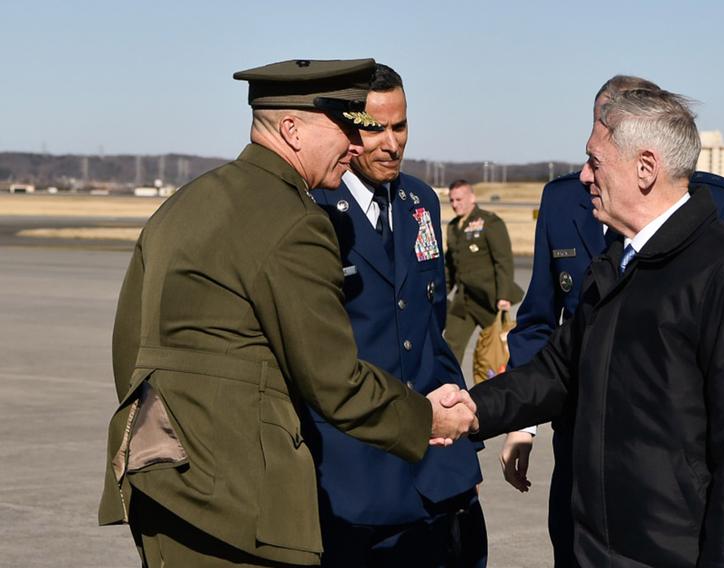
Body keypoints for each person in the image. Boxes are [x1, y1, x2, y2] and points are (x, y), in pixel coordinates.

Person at [98, 58, 476, 567]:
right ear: (293, 130)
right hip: (243, 501)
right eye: (345, 127)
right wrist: (429, 417)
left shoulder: (184, 204)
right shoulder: (296, 219)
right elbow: (332, 380)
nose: (356, 142)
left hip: (164, 480)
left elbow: (132, 349)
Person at [462, 86, 724, 566]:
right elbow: (557, 371)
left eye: (595, 161)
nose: (583, 177)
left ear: (645, 168)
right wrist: (469, 410)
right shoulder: (617, 263)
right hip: (603, 548)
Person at [308, 63, 486, 567]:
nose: (392, 143)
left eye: (400, 126)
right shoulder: (314, 209)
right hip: (355, 475)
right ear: (347, 131)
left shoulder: (419, 202)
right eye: (375, 128)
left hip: (437, 469)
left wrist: (460, 427)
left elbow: (431, 326)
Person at [444, 180, 524, 365]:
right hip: (464, 300)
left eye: (459, 199)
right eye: (452, 200)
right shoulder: (453, 227)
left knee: (499, 349)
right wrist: (440, 293)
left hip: (490, 299)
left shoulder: (489, 222)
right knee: (450, 345)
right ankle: (451, 387)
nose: (455, 204)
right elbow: (451, 266)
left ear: (472, 198)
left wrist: (503, 296)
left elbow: (503, 261)